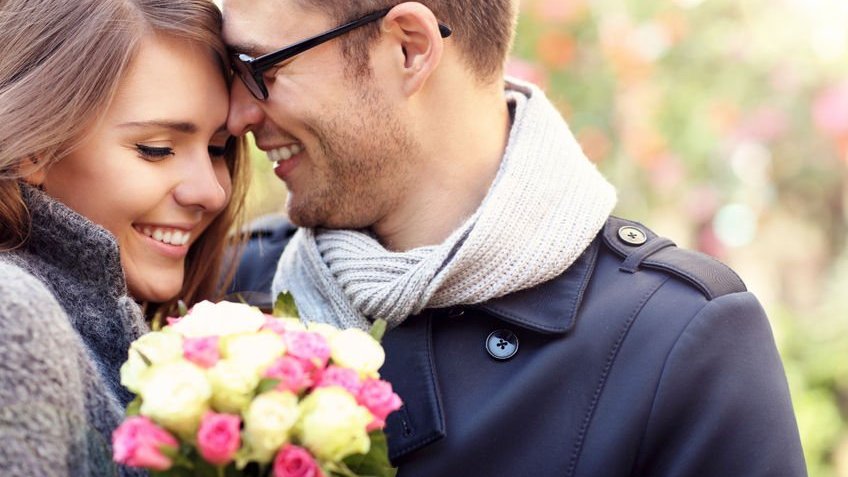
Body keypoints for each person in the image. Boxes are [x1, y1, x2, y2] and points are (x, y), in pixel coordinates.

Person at [223, 1, 807, 475]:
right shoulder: (226, 294)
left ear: (409, 47)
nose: (237, 115)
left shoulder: (673, 341)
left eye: (259, 68)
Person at [0, 0, 249, 474]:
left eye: (218, 148)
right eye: (156, 149)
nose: (212, 192)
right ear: (34, 146)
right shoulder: (11, 313)